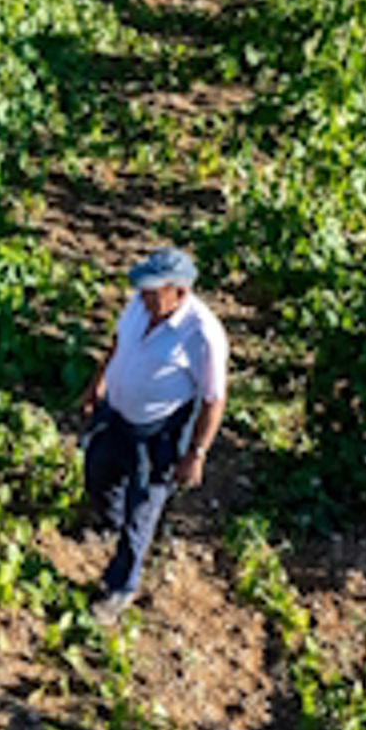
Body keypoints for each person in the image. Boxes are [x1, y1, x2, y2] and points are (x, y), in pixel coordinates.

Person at [74, 246, 229, 620]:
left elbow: (213, 399)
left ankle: (120, 588)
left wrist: (197, 453)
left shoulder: (203, 335)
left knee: (141, 510)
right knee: (97, 471)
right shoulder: (139, 305)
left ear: (179, 292)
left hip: (159, 432)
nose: (143, 297)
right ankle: (106, 524)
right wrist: (98, 384)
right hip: (117, 414)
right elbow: (117, 344)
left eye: (153, 291)